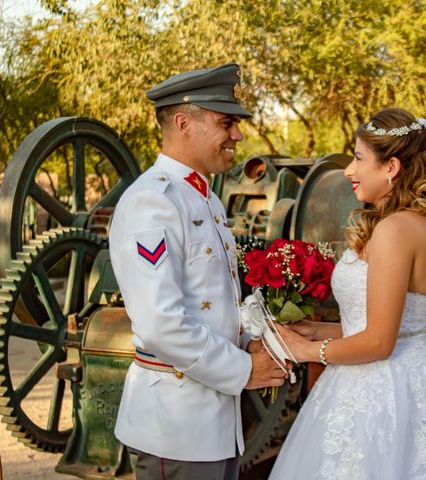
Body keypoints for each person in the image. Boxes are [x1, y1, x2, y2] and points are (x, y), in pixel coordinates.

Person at [269, 107, 426, 479]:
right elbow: (399, 323)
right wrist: (321, 332)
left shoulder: (394, 230)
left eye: (359, 159)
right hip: (419, 372)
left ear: (390, 167)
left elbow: (380, 342)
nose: (348, 171)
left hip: (383, 389)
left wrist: (306, 351)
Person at [109, 62, 286, 480]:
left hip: (212, 424)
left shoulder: (204, 198)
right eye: (227, 123)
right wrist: (244, 370)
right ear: (184, 122)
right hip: (176, 425)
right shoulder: (152, 201)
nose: (238, 135)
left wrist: (254, 341)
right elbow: (159, 324)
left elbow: (211, 305)